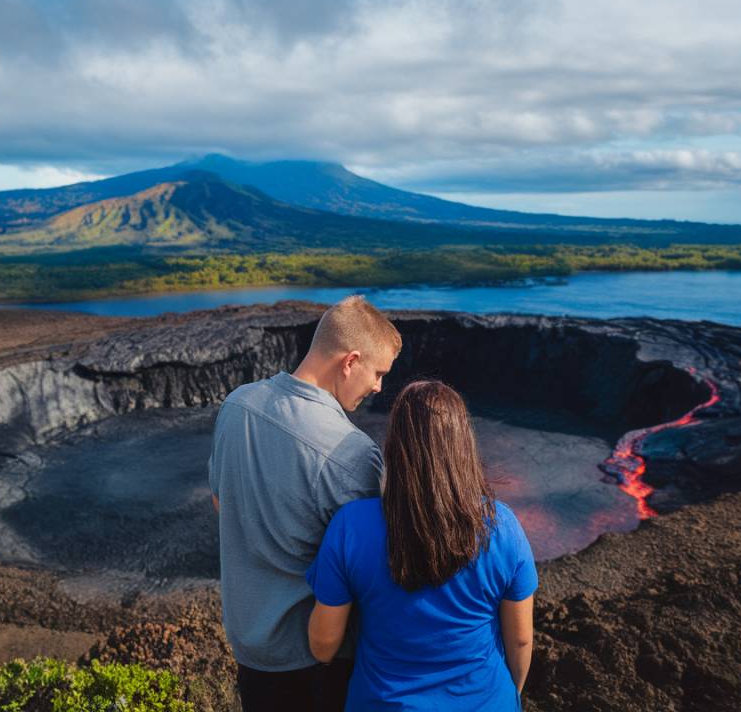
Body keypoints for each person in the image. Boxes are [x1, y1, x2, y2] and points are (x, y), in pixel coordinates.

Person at [208, 295, 402, 712]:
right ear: (350, 362)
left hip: (250, 647)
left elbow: (221, 502)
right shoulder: (352, 454)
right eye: (378, 373)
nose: (378, 387)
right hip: (319, 660)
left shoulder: (236, 406)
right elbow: (364, 570)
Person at [306, 380, 537, 711]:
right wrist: (509, 695)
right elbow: (520, 639)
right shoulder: (503, 527)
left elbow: (324, 646)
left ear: (395, 447)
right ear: (463, 445)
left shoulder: (350, 526)